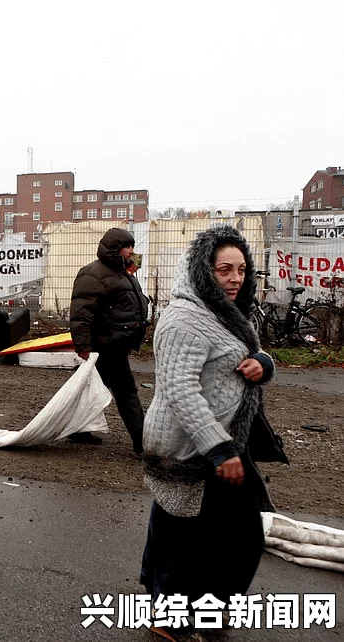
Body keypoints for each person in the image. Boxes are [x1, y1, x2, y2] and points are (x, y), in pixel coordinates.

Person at [139, 225, 279, 639]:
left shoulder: (224, 312)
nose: (235, 279)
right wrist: (219, 449)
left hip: (221, 439)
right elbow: (180, 389)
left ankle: (184, 603)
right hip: (190, 445)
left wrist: (263, 363)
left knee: (188, 527)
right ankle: (169, 618)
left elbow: (244, 354)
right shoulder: (184, 319)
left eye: (241, 269)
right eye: (224, 270)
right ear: (204, 270)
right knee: (195, 533)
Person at [69, 228, 149, 452]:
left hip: (115, 344)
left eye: (132, 246)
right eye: (127, 247)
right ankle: (142, 443)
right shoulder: (93, 274)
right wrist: (83, 346)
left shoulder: (123, 272)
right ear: (115, 248)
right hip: (105, 345)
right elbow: (81, 313)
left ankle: (77, 429)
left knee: (88, 388)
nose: (132, 251)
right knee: (126, 393)